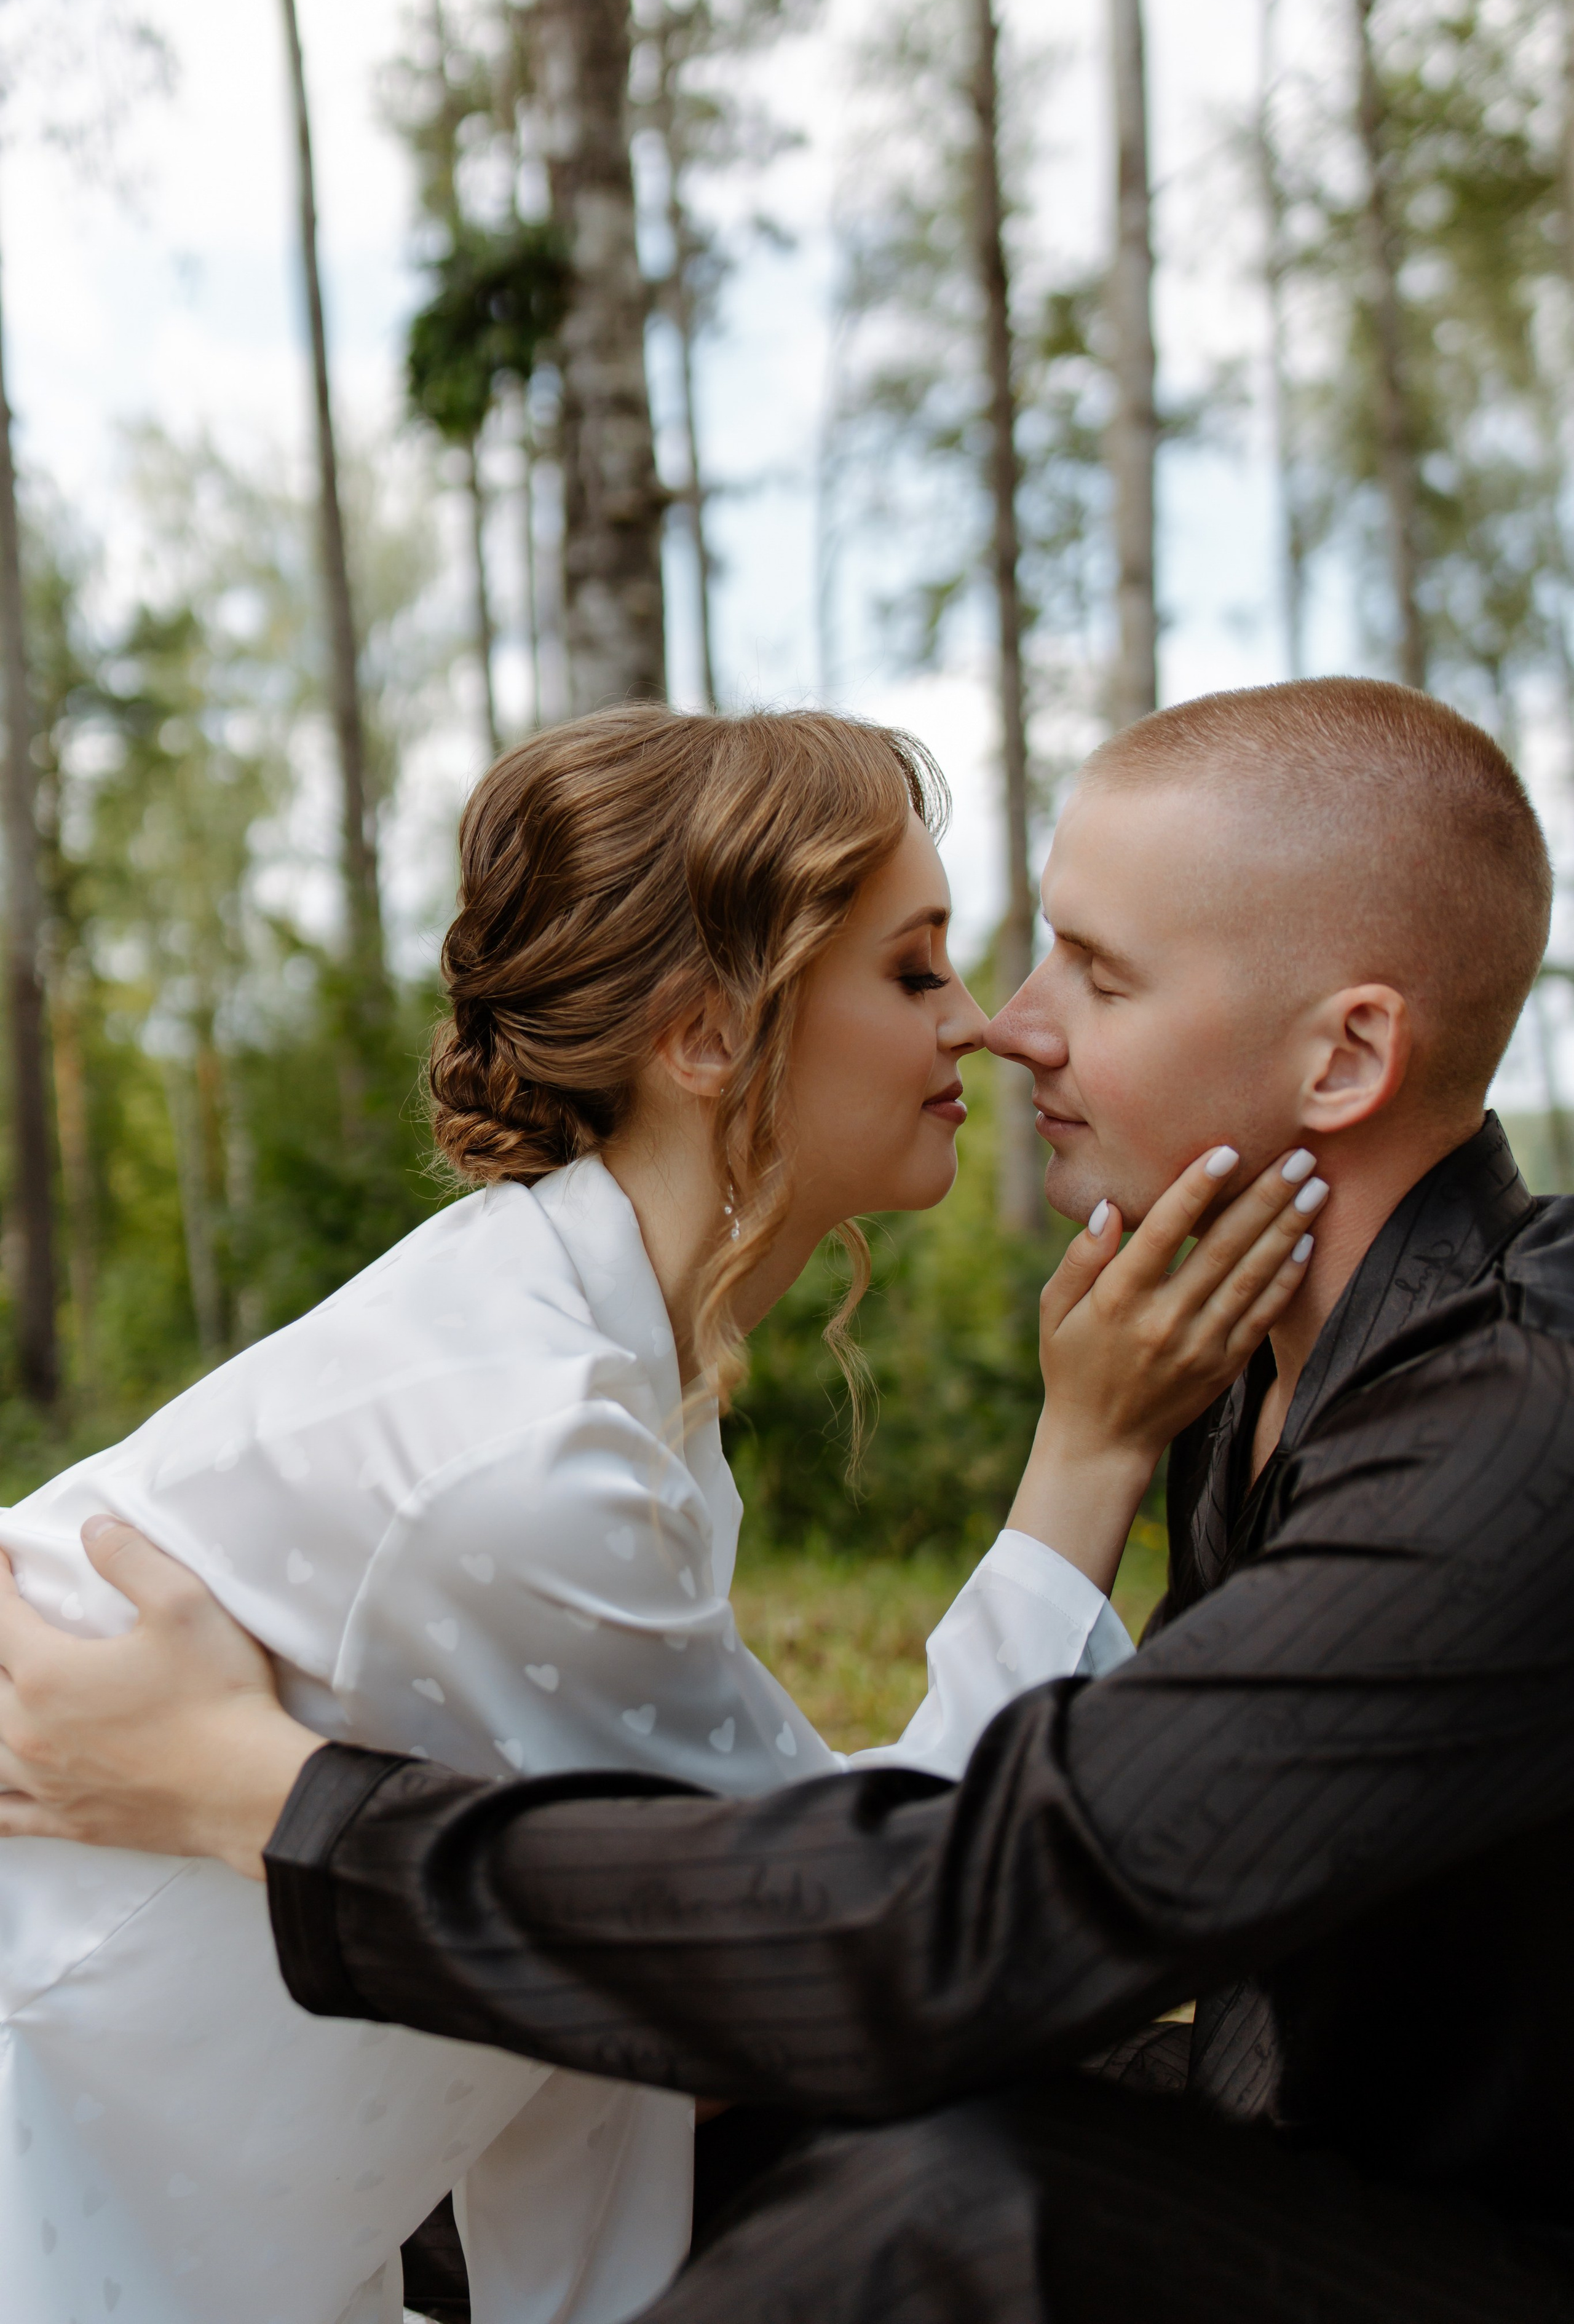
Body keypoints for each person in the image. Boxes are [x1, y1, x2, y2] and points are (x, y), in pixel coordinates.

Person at [0, 676, 1564, 2324]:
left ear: (1348, 1055)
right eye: (930, 966)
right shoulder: (1235, 1372)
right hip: (81, 2170)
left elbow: (935, 1916)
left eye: (1093, 974)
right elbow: (822, 1905)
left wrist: (258, 1793)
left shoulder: (1520, 1427)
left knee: (948, 2194)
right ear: (704, 1036)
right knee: (804, 2119)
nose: (1007, 1023)